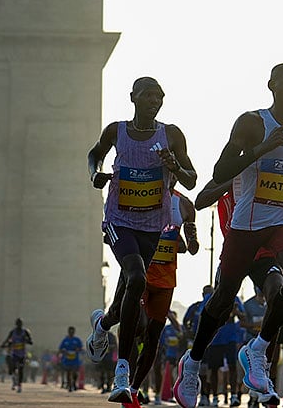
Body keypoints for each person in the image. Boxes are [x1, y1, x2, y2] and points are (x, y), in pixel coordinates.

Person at [176, 63, 283, 408]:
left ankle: (257, 350)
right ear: (271, 86)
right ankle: (193, 361)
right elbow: (219, 171)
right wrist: (262, 148)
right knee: (224, 297)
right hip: (248, 223)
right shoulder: (252, 123)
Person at [87, 76, 198, 403]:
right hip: (120, 221)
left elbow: (191, 179)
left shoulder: (172, 135)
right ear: (133, 97)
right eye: (148, 95)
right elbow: (94, 154)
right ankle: (123, 371)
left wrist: (174, 165)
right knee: (135, 278)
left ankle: (102, 326)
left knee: (130, 304)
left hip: (153, 224)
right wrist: (95, 173)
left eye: (159, 96)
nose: (154, 101)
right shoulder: (116, 131)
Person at [1, 318, 33, 392]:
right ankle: (14, 379)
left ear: (22, 324)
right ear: (16, 324)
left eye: (20, 324)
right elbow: (7, 339)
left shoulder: (25, 332)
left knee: (21, 369)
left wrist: (26, 340)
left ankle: (19, 385)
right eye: (18, 324)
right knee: (13, 367)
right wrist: (3, 345)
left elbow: (31, 341)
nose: (19, 325)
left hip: (22, 354)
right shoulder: (12, 332)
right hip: (14, 353)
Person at [59, 326, 84, 392]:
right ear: (68, 331)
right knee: (68, 373)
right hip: (67, 359)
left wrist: (78, 349)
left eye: (72, 331)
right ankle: (69, 385)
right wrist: (64, 351)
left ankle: (74, 383)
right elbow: (60, 348)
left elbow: (81, 348)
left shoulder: (77, 340)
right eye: (70, 331)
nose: (71, 332)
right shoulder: (65, 340)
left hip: (75, 359)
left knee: (75, 373)